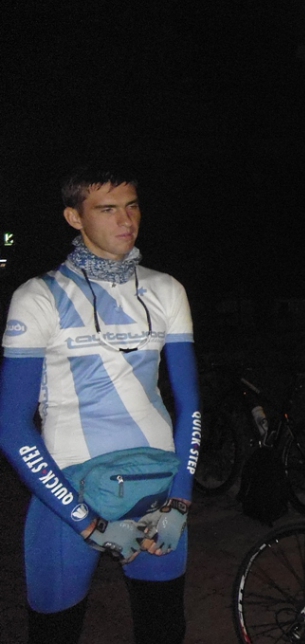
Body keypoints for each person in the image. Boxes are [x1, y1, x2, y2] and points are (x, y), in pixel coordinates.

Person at [0, 166, 201, 644]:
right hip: (68, 491)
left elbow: (190, 403)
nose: (126, 220)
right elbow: (10, 424)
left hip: (159, 490)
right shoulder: (38, 296)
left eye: (132, 206)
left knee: (163, 629)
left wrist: (180, 500)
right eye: (107, 209)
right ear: (75, 217)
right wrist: (86, 523)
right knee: (55, 633)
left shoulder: (166, 289)